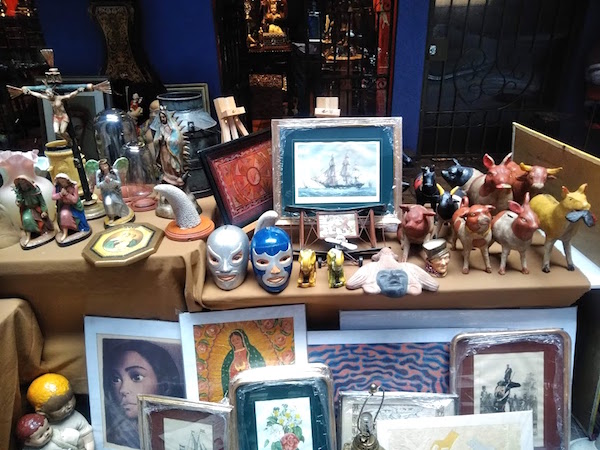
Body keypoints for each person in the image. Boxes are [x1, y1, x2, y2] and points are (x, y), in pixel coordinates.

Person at [103, 340, 184, 449]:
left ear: (163, 384)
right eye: (116, 379)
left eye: (136, 377)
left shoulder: (181, 432)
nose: (123, 390)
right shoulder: (113, 436)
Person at [26, 374, 94, 450]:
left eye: (71, 398)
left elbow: (88, 439)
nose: (69, 406)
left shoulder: (76, 419)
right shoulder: (38, 428)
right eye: (60, 407)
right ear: (41, 412)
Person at [21, 86, 86, 140]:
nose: (48, 95)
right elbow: (40, 95)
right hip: (56, 117)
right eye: (47, 94)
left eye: (49, 93)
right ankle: (67, 140)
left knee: (62, 131)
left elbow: (69, 96)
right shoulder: (49, 99)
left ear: (52, 92)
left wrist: (78, 91)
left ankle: (70, 140)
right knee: (56, 132)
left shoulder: (59, 98)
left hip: (63, 116)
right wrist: (30, 92)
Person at [220, 330, 265, 394]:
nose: (236, 341)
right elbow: (225, 372)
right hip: (236, 387)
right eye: (233, 340)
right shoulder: (230, 356)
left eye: (237, 339)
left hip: (251, 384)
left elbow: (259, 366)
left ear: (243, 339)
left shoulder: (251, 351)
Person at [13, 175, 55, 246]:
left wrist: (44, 211)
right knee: (26, 219)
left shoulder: (35, 189)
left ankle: (42, 231)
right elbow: (19, 203)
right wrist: (19, 200)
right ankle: (28, 236)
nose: (23, 185)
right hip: (27, 209)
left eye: (24, 183)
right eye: (21, 184)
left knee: (42, 221)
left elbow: (42, 201)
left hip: (37, 208)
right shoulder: (20, 192)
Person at [52, 173, 89, 242]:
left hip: (74, 206)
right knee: (64, 214)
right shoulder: (57, 187)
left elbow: (75, 200)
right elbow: (53, 197)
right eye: (60, 182)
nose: (62, 183)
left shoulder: (74, 186)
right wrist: (60, 194)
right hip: (64, 205)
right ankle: (65, 232)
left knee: (72, 215)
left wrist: (67, 194)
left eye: (63, 181)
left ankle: (78, 228)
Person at [154, 110, 185, 187]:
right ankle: (167, 176)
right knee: (165, 162)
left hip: (171, 149)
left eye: (163, 117)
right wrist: (159, 139)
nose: (162, 119)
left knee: (171, 162)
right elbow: (155, 139)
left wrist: (168, 139)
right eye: (161, 117)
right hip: (163, 148)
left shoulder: (171, 128)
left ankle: (175, 176)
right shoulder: (160, 128)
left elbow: (176, 139)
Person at [96, 159, 130, 224]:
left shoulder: (114, 171)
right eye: (102, 166)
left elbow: (119, 183)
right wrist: (104, 182)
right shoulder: (99, 174)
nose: (104, 167)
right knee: (108, 203)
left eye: (105, 165)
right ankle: (112, 217)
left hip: (114, 191)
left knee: (117, 202)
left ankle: (121, 214)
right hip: (106, 192)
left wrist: (111, 181)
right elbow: (98, 185)